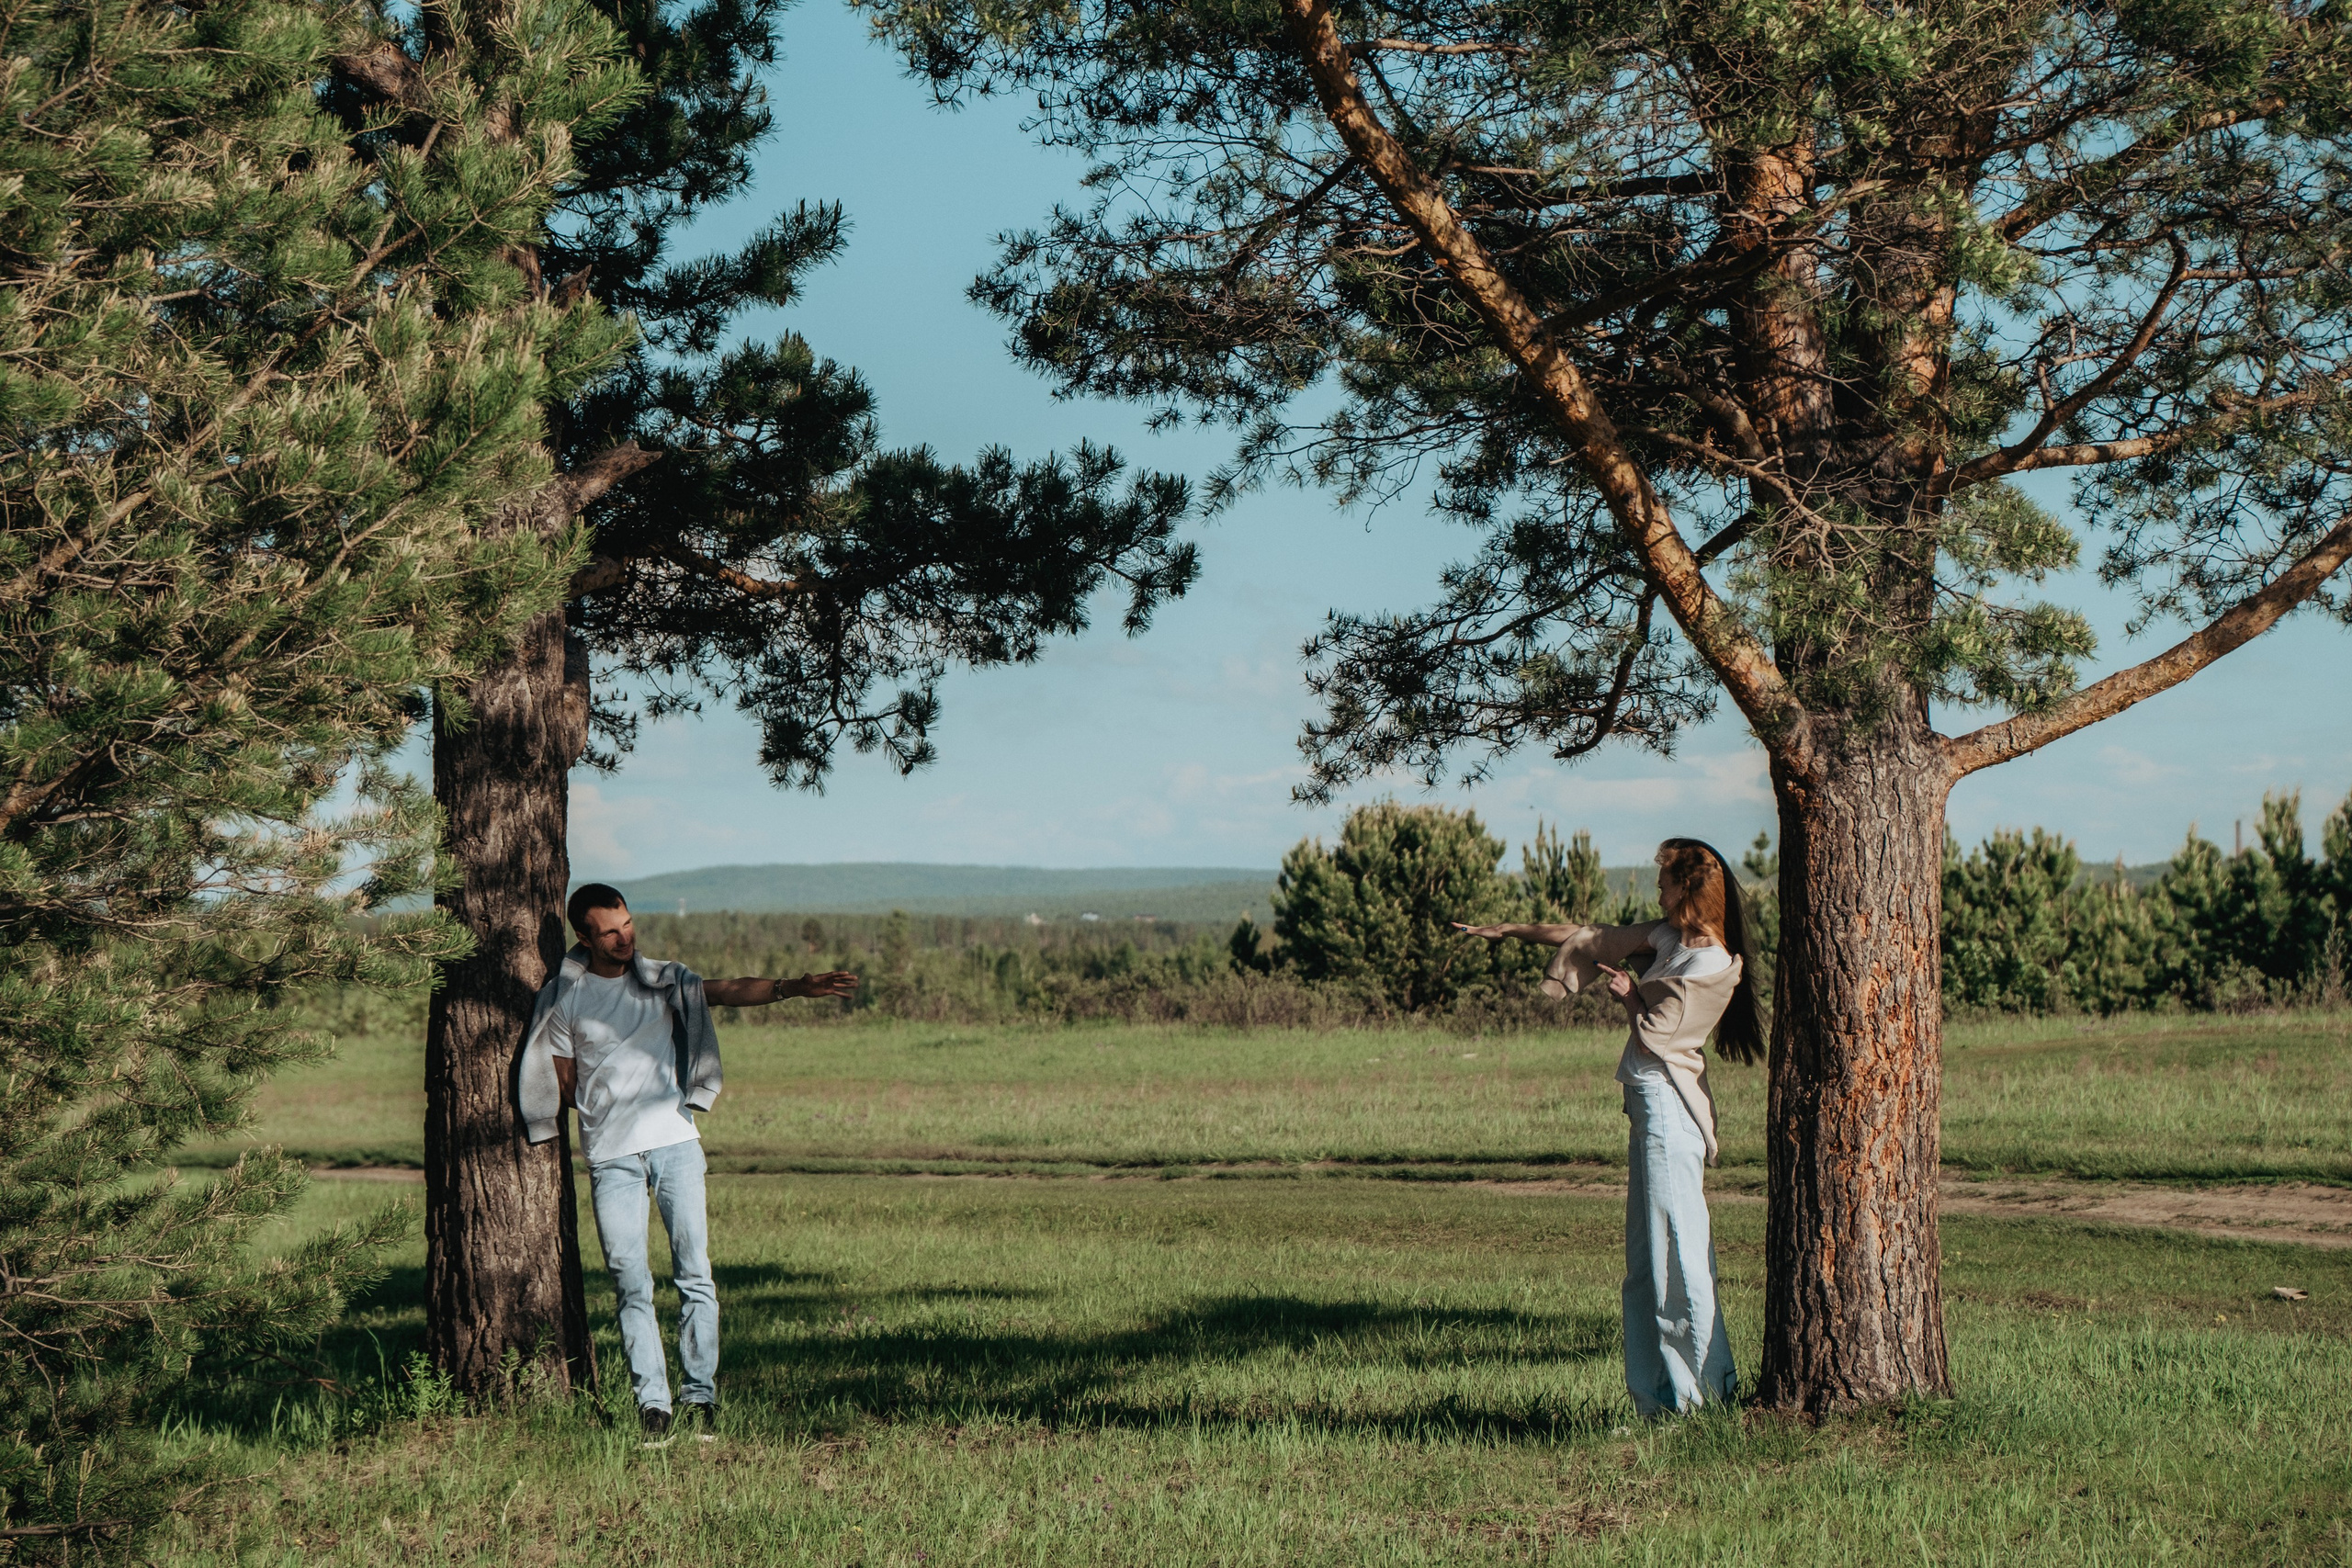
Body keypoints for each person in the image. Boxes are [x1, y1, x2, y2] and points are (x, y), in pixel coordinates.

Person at [516, 883, 858, 1444]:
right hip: (611, 1159)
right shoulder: (565, 1000)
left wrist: (795, 987)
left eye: (627, 924)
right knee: (631, 1283)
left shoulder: (664, 981)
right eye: (609, 931)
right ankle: (654, 1405)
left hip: (676, 1144)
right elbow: (562, 1079)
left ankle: (701, 1399)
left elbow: (724, 990)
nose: (624, 938)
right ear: (585, 937)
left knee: (695, 1275)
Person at [1456, 838, 1767, 1417]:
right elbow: (1590, 936)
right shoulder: (1671, 938)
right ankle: (1655, 1403)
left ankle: (1702, 1404)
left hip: (1670, 1110)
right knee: (1645, 1266)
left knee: (1678, 1261)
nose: (1659, 889)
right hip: (1648, 1105)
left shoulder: (1712, 966)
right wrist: (1508, 929)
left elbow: (1661, 1036)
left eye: (1666, 881)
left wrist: (1628, 996)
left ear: (1690, 889)